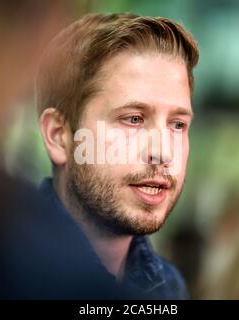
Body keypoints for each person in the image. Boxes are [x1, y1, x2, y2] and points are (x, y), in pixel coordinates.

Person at [37, 13, 199, 299]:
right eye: (134, 119)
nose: (162, 152)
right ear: (59, 136)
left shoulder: (169, 288)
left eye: (177, 125)